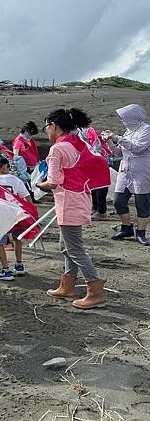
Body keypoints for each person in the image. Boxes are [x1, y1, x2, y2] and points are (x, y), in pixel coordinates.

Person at [36, 108, 110, 310]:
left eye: (46, 127)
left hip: (69, 201)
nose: (47, 132)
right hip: (79, 198)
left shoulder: (57, 149)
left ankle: (95, 292)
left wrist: (39, 185)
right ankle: (67, 286)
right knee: (65, 245)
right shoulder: (77, 143)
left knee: (75, 249)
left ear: (54, 126)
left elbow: (53, 181)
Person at [104, 104, 150, 244]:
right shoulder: (127, 132)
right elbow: (117, 152)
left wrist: (116, 137)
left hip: (142, 169)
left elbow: (138, 148)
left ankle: (141, 232)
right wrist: (109, 141)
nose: (123, 121)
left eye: (124, 118)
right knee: (118, 200)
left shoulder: (146, 129)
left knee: (142, 203)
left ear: (133, 117)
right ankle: (126, 227)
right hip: (125, 170)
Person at [0, 157, 31, 280]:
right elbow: (27, 197)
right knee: (17, 239)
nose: (9, 170)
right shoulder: (15, 180)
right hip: (16, 214)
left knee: (0, 243)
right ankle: (19, 265)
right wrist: (30, 211)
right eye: (8, 167)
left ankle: (5, 269)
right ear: (3, 167)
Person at [79, 125, 112, 221]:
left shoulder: (88, 130)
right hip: (93, 159)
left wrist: (94, 158)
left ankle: (101, 211)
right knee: (93, 184)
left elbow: (96, 145)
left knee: (100, 185)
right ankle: (96, 208)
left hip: (97, 159)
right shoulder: (81, 130)